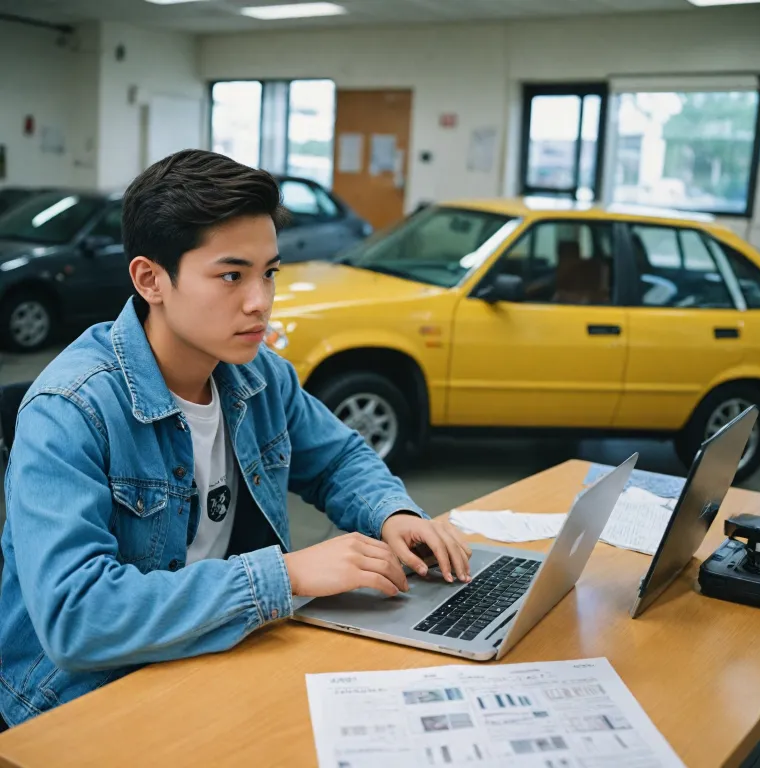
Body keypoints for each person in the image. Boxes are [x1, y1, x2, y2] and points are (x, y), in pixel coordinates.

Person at [0, 150, 472, 729]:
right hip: (79, 703)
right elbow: (78, 616)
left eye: (268, 272)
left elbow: (339, 458)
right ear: (151, 279)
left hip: (211, 659)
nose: (261, 301)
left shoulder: (258, 374)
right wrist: (287, 575)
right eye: (232, 275)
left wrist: (392, 513)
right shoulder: (70, 410)